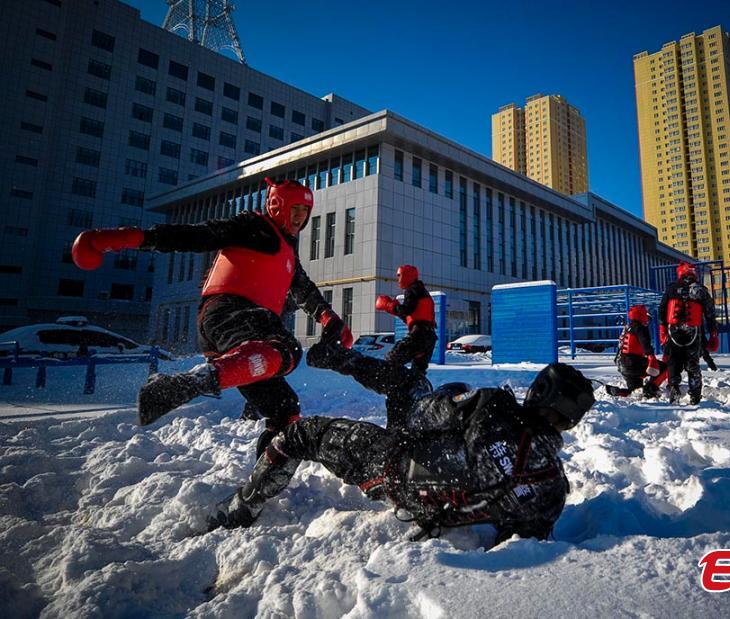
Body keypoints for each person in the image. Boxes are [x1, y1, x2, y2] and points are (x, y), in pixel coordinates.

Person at [206, 342, 597, 546]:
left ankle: (242, 508)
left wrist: (451, 399)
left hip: (392, 467)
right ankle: (349, 361)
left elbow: (420, 417)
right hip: (436, 505)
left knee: (300, 434)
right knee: (411, 385)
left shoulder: (494, 404)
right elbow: (520, 538)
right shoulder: (553, 486)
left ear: (540, 393)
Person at [71, 178, 353, 457]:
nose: (299, 218)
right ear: (277, 205)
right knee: (288, 348)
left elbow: (304, 288)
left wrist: (329, 318)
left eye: (304, 212)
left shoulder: (287, 250)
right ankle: (191, 383)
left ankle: (257, 492)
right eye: (294, 210)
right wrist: (130, 238)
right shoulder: (253, 226)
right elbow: (199, 234)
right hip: (231, 313)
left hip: (244, 338)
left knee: (285, 410)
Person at [658, 262, 718, 405]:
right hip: (693, 332)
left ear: (680, 274)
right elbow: (710, 315)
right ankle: (695, 395)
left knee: (673, 362)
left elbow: (662, 310)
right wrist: (714, 334)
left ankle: (674, 387)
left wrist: (662, 329)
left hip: (674, 331)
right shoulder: (701, 290)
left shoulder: (672, 288)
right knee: (693, 364)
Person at [375, 265, 437, 374]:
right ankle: (419, 389)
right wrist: (394, 309)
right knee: (417, 373)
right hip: (429, 338)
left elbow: (407, 310)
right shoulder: (422, 291)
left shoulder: (412, 289)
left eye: (399, 276)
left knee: (391, 360)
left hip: (419, 335)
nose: (398, 279)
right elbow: (412, 317)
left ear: (406, 276)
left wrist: (390, 305)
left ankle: (393, 386)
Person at [605, 305, 663, 397]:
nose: (647, 319)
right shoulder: (640, 328)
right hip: (634, 364)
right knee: (664, 368)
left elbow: (620, 346)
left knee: (635, 391)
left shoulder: (627, 328)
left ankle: (618, 392)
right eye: (645, 314)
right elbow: (645, 344)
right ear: (641, 315)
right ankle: (651, 389)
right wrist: (651, 357)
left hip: (623, 365)